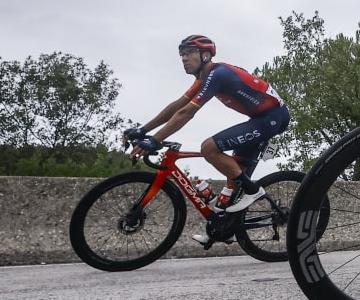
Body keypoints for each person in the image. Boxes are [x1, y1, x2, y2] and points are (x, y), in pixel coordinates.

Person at [123, 35, 291, 246]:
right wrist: (142, 130)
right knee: (234, 173)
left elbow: (186, 113)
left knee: (209, 148)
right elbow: (176, 107)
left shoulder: (217, 74)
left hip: (274, 117)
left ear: (205, 55)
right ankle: (222, 228)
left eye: (189, 53)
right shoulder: (204, 79)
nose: (184, 58)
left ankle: (253, 190)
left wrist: (155, 140)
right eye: (182, 54)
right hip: (259, 118)